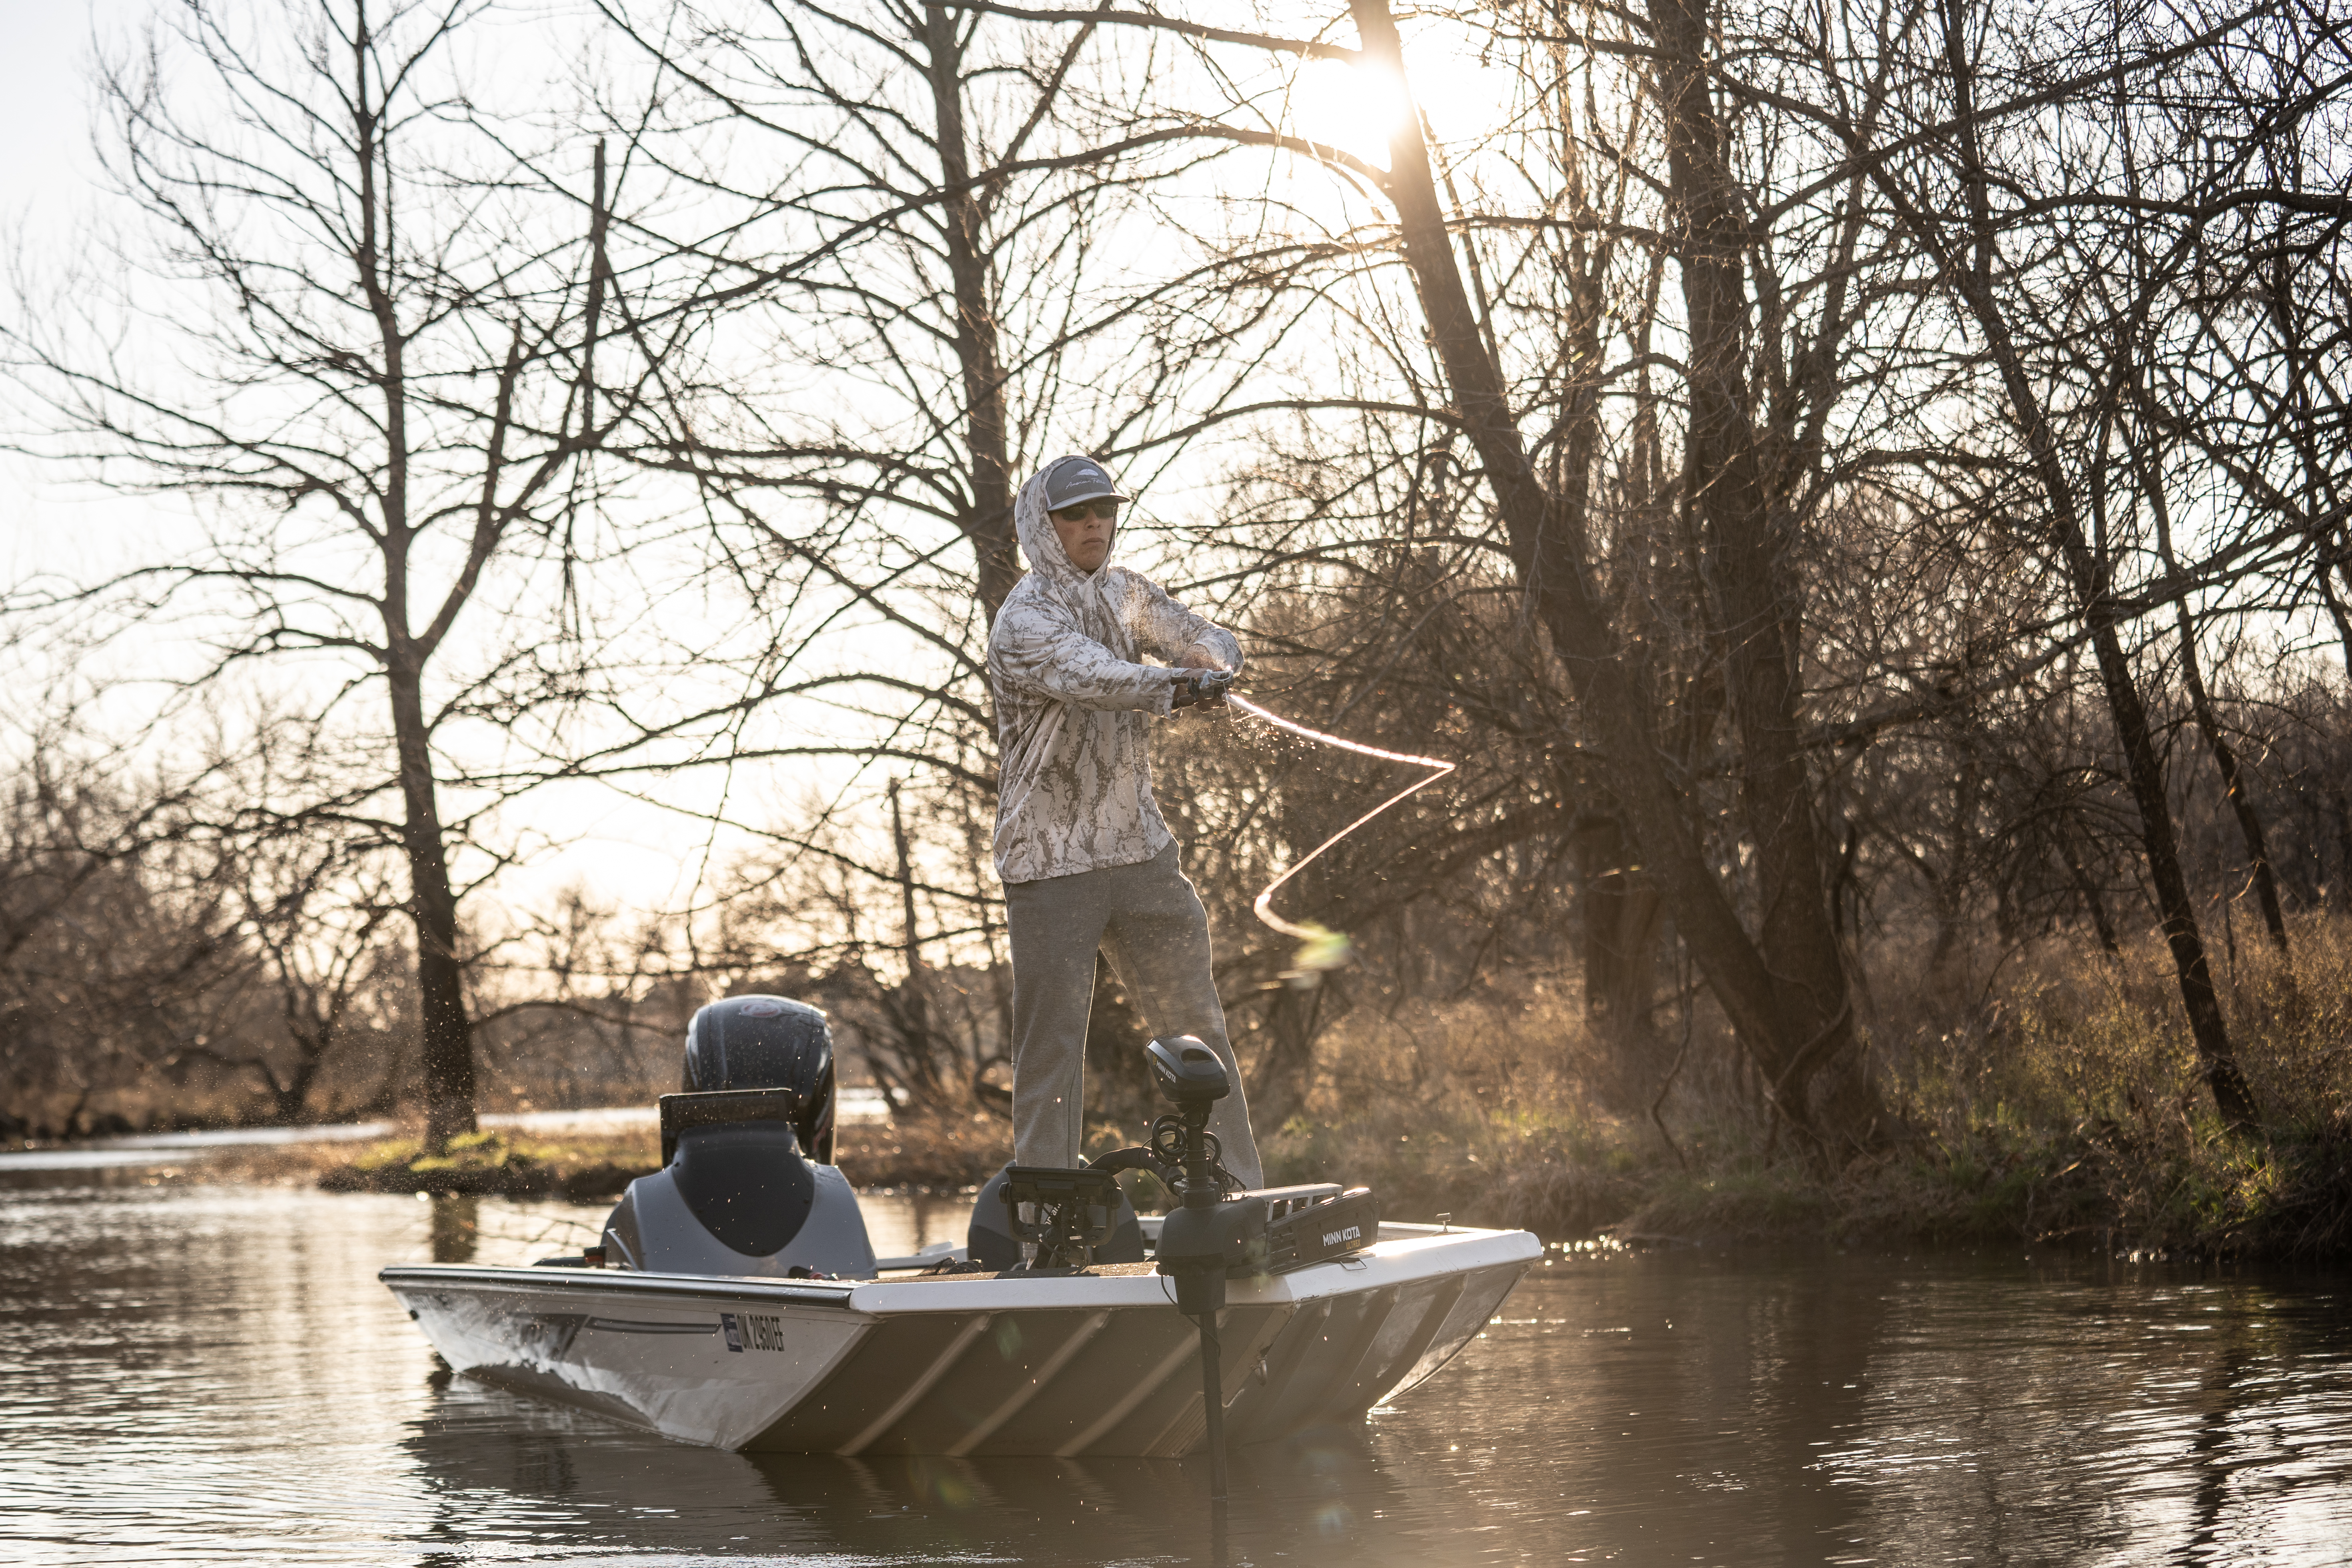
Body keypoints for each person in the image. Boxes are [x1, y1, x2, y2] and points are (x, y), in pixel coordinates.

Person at [987, 454, 1263, 1188]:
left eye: (1104, 511)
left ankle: (1235, 1194)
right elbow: (1095, 678)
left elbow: (1203, 635)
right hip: (1049, 866)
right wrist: (1177, 684)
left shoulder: (1128, 595)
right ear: (1043, 529)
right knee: (1051, 1050)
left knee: (1199, 1028)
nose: (1094, 526)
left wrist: (1211, 655)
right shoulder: (1025, 620)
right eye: (1076, 516)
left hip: (1141, 853)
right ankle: (1046, 1213)